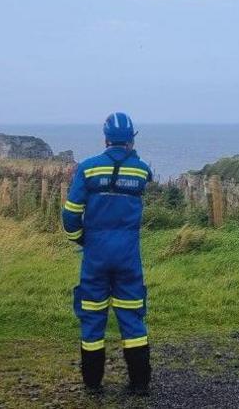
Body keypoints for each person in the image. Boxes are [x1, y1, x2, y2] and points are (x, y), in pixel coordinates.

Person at [61, 112, 153, 396]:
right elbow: (140, 177)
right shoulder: (140, 170)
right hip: (127, 254)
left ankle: (93, 383)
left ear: (105, 137)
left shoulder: (87, 170)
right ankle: (139, 384)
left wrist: (81, 239)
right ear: (131, 139)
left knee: (91, 316)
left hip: (96, 254)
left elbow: (70, 214)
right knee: (132, 316)